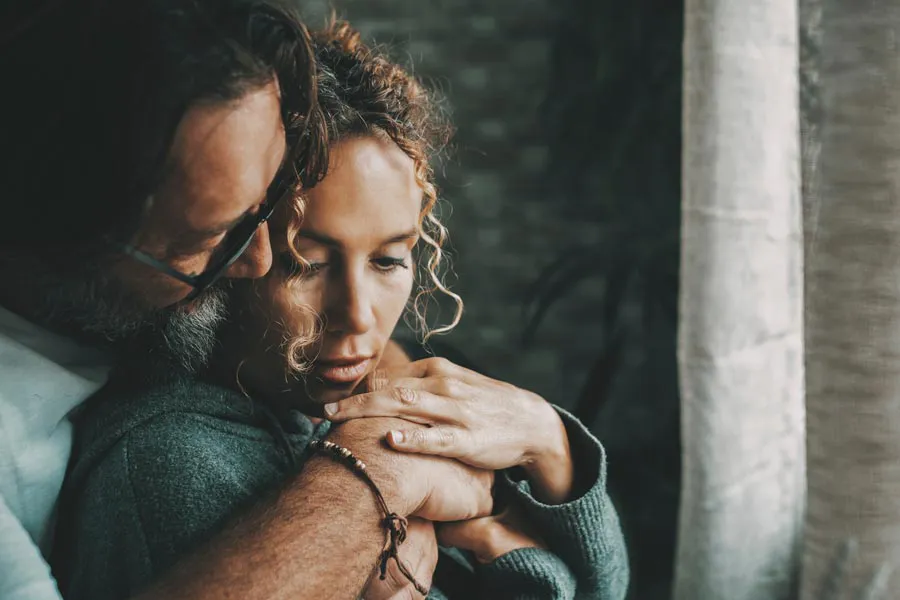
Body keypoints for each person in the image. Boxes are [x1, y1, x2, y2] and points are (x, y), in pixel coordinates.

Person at [54, 20, 630, 600]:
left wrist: (548, 439)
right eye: (306, 265)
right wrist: (515, 556)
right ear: (231, 253)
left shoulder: (374, 397)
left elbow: (613, 586)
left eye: (387, 261)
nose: (358, 318)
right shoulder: (169, 463)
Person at [0, 2, 494, 599]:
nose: (255, 262)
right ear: (69, 230)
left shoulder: (180, 326)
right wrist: (377, 477)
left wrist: (550, 444)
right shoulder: (153, 453)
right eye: (216, 237)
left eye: (268, 204)